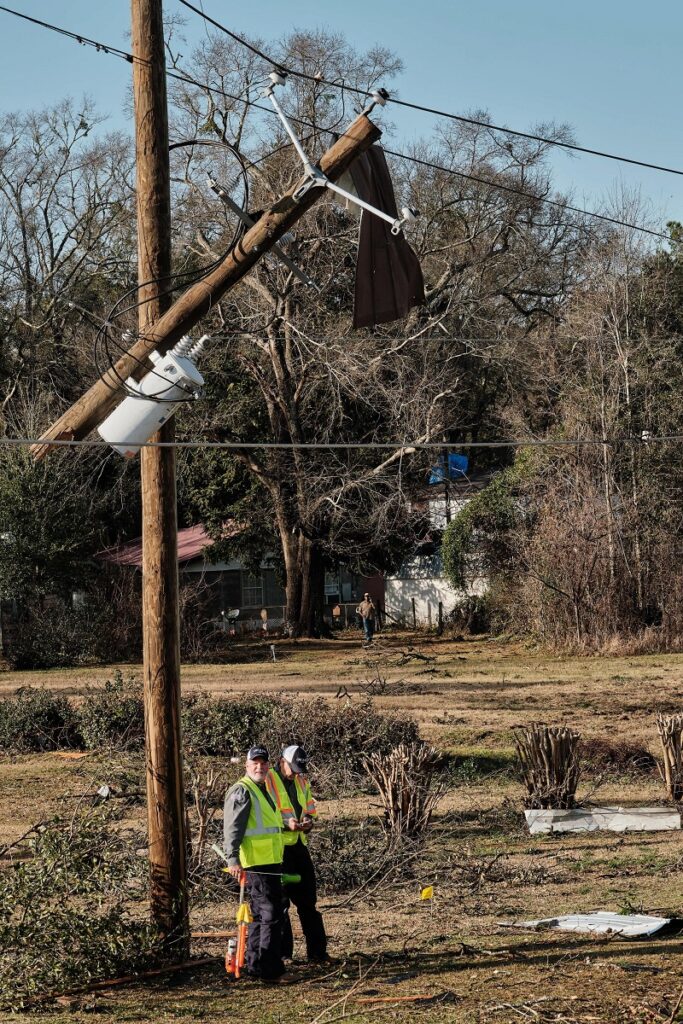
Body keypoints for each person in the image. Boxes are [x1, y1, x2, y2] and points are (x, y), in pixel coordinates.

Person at [223, 745, 299, 983]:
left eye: (263, 763)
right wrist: (232, 858)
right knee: (270, 915)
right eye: (255, 763)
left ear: (269, 765)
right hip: (257, 863)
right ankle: (270, 970)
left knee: (259, 915)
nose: (260, 766)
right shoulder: (242, 791)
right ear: (246, 765)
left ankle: (256, 965)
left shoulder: (263, 789)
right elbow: (232, 828)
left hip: (269, 861)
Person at [266, 745, 329, 964]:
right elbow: (265, 813)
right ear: (281, 761)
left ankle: (318, 953)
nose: (295, 772)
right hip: (278, 849)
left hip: (299, 845)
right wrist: (286, 823)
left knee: (308, 902)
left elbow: (310, 808)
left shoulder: (301, 780)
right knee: (281, 904)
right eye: (292, 768)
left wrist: (308, 822)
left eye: (298, 769)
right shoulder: (268, 779)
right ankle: (284, 955)